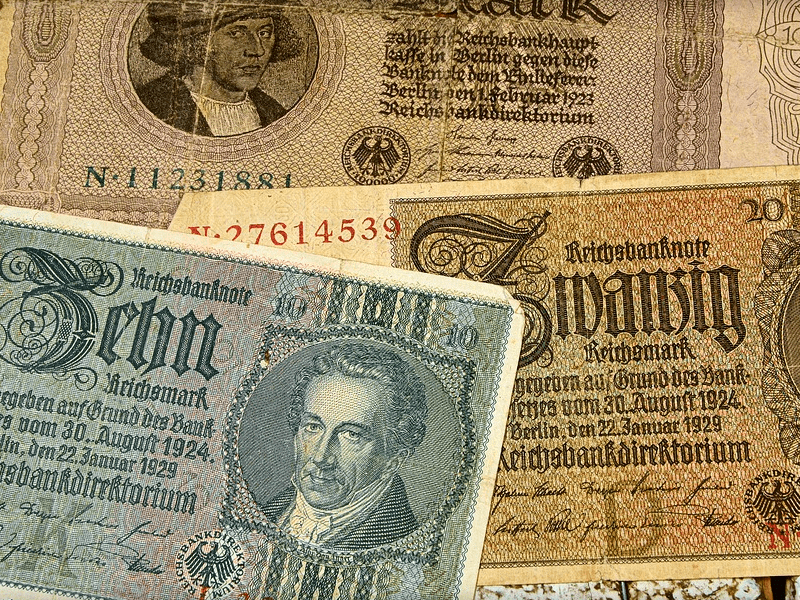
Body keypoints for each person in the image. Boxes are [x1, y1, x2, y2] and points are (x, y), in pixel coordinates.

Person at [260, 343, 428, 550]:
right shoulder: (269, 512)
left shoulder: (397, 539)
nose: (321, 457)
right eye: (313, 427)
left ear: (393, 461)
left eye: (352, 435)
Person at [135, 3, 302, 136]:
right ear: (199, 42)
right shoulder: (150, 109)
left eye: (264, 33)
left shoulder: (275, 113)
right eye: (236, 33)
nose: (258, 50)